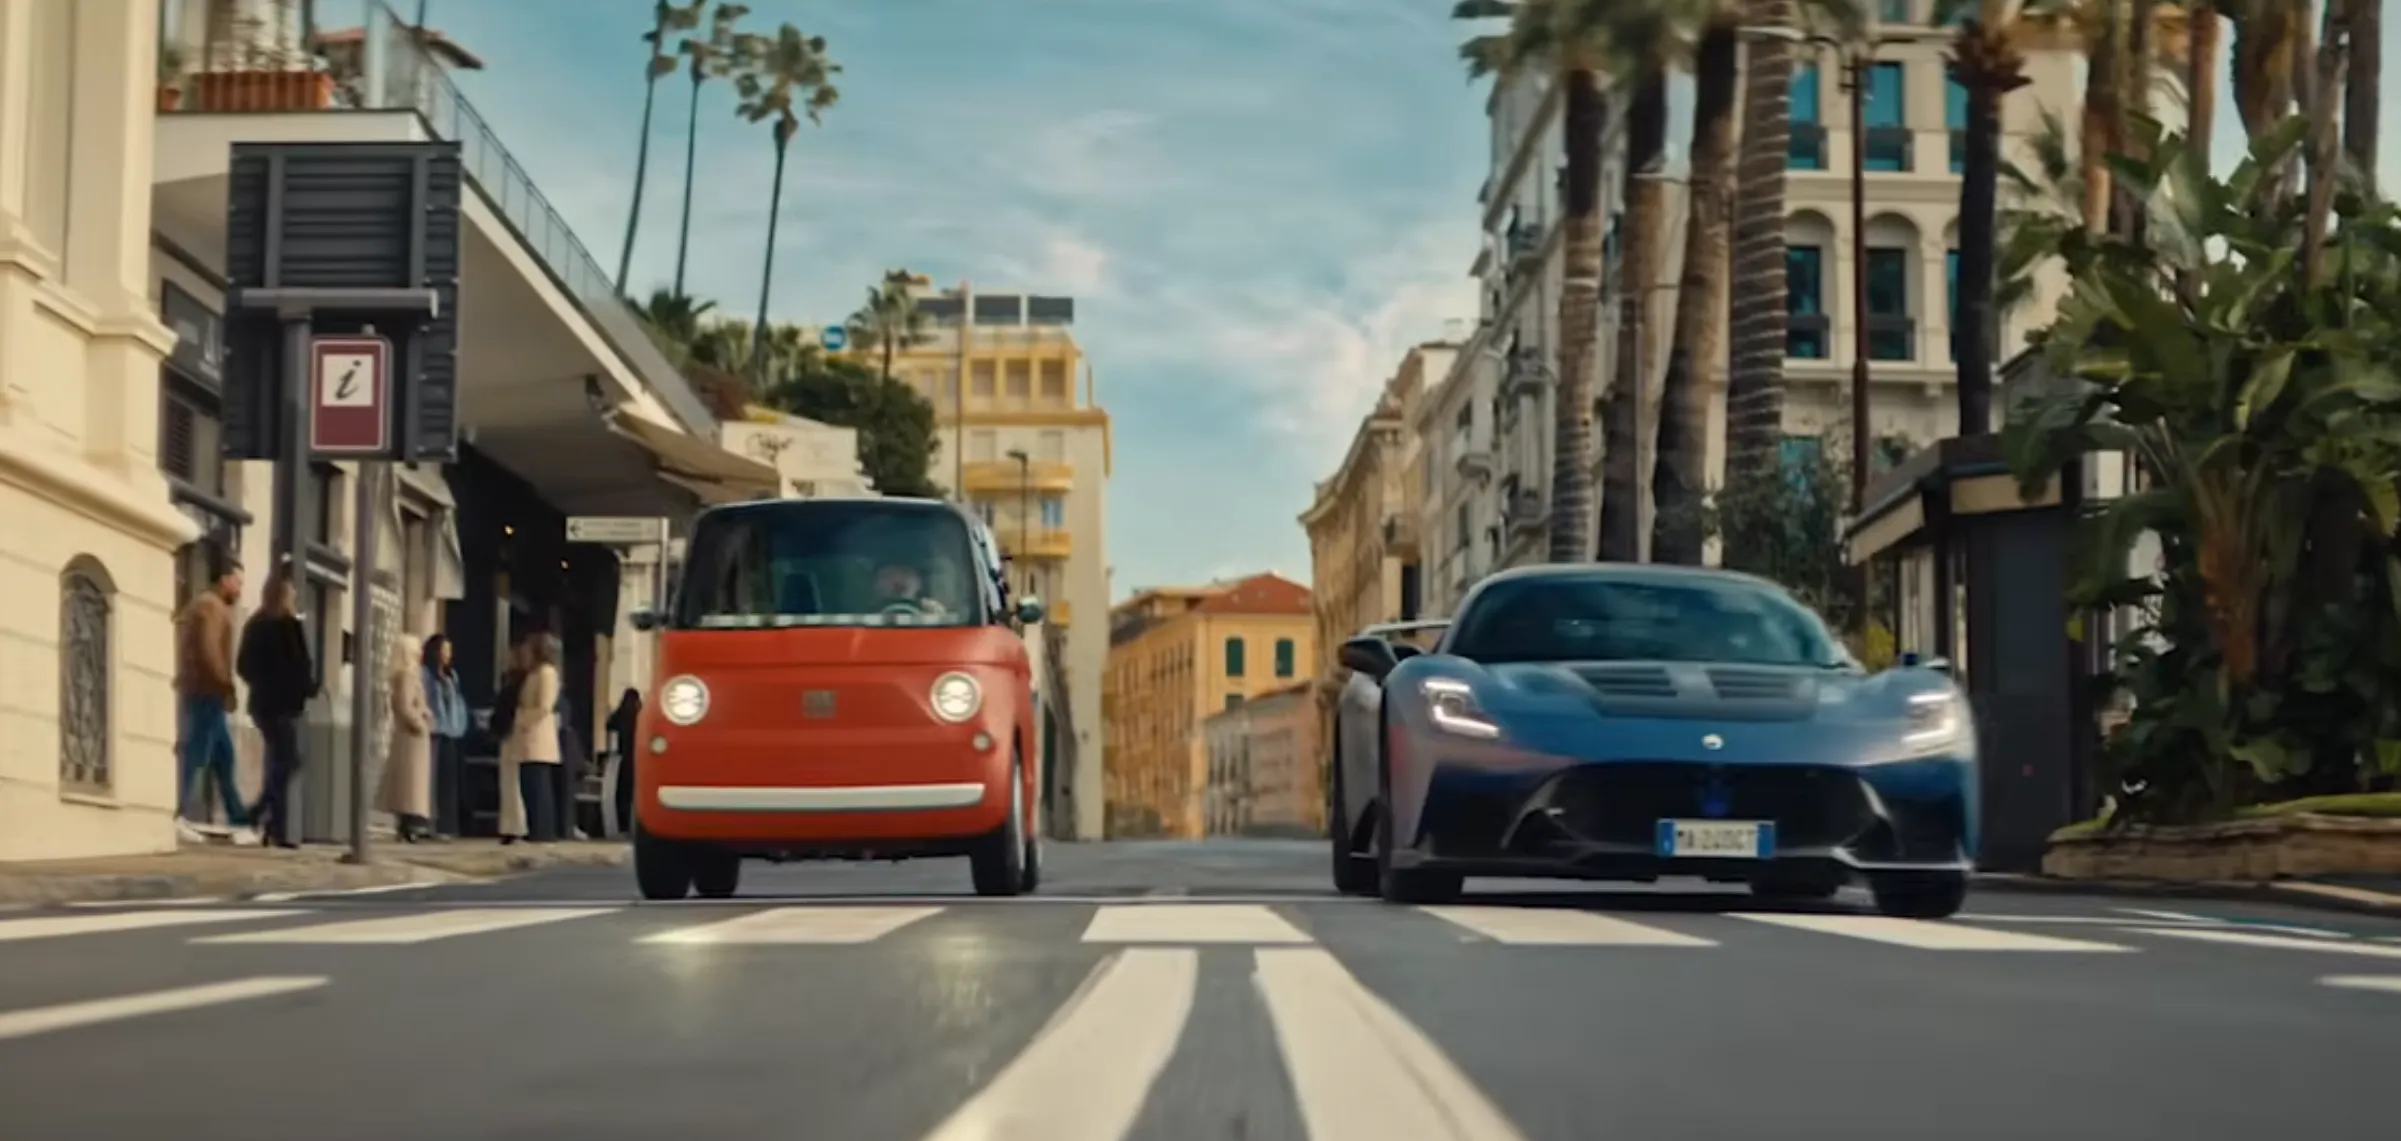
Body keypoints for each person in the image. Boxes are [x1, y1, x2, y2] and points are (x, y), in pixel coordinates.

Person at [237, 562, 314, 849]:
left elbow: (244, 665)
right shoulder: (287, 625)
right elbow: (299, 666)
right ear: (285, 592)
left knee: (280, 762)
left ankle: (273, 826)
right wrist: (304, 687)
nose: (295, 593)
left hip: (264, 703)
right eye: (292, 589)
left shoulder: (257, 623)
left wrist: (263, 682)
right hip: (281, 704)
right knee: (288, 761)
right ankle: (260, 815)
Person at [174, 551, 246, 832]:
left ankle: (239, 818)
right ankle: (175, 811)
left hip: (208, 691)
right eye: (238, 582)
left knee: (222, 758)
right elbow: (209, 651)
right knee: (196, 753)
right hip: (206, 692)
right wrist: (224, 684)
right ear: (225, 580)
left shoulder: (212, 607)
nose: (240, 589)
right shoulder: (210, 607)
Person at [501, 634, 564, 843]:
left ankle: (543, 830)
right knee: (528, 784)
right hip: (526, 737)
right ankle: (534, 828)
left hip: (537, 735)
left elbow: (545, 706)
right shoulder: (533, 673)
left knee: (538, 785)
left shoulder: (547, 673)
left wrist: (523, 719)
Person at [379, 633, 434, 842]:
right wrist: (420, 724)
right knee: (411, 781)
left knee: (411, 781)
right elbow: (404, 705)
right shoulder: (407, 675)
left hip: (410, 734)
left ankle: (407, 823)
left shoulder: (407, 674)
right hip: (412, 735)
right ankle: (410, 823)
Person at [421, 634, 468, 838]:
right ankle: (431, 822)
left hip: (452, 729)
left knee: (449, 780)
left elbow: (456, 701)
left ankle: (448, 825)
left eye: (449, 650)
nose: (447, 655)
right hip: (435, 730)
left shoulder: (452, 676)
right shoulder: (425, 674)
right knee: (433, 778)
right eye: (444, 650)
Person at [873, 559, 947, 614]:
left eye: (906, 573)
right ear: (876, 583)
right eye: (888, 575)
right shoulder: (864, 616)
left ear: (919, 583)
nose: (898, 580)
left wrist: (939, 618)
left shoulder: (930, 612)